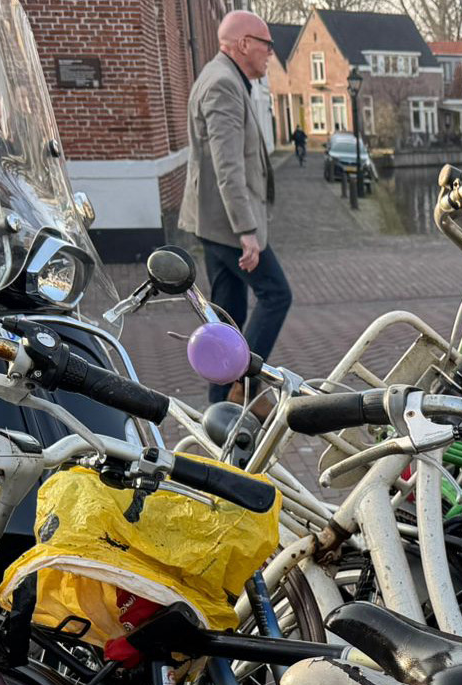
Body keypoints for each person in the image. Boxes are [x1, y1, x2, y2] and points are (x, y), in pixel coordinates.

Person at [180, 10, 289, 404]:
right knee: (276, 295)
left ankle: (220, 404)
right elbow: (227, 167)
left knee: (226, 315)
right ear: (244, 44)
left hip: (214, 222)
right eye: (266, 45)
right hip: (228, 226)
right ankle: (244, 384)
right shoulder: (224, 84)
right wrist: (247, 231)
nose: (270, 54)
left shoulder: (222, 78)